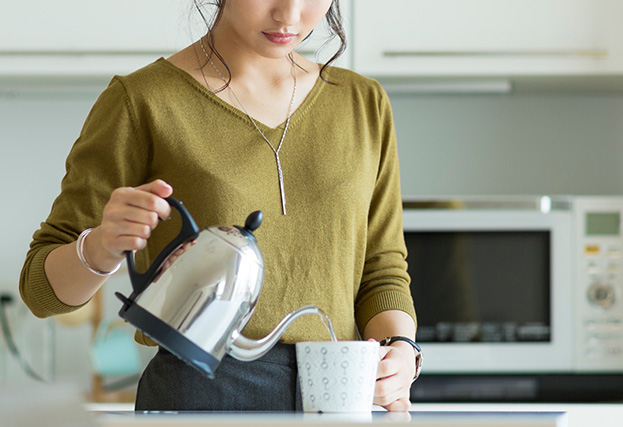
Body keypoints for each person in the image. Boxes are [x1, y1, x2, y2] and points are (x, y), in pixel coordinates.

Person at [19, 0, 419, 412]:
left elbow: (382, 269)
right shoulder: (142, 102)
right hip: (199, 394)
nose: (289, 15)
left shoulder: (363, 103)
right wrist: (102, 245)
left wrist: (402, 353)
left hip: (338, 394)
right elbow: (40, 292)